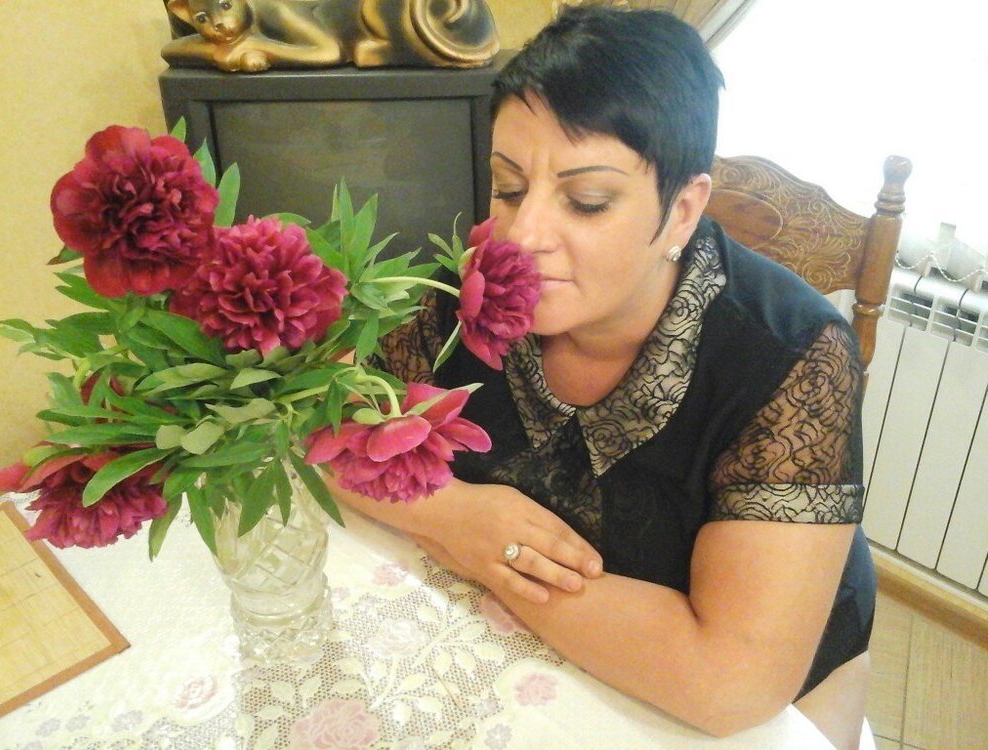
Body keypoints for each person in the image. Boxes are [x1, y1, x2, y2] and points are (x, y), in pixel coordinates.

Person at [330, 7, 876, 750]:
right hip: (549, 644)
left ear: (682, 210)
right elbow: (320, 422)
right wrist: (453, 514)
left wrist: (493, 555)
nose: (523, 237)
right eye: (509, 187)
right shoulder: (470, 285)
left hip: (777, 693)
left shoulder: (794, 354)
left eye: (587, 201)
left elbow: (731, 682)